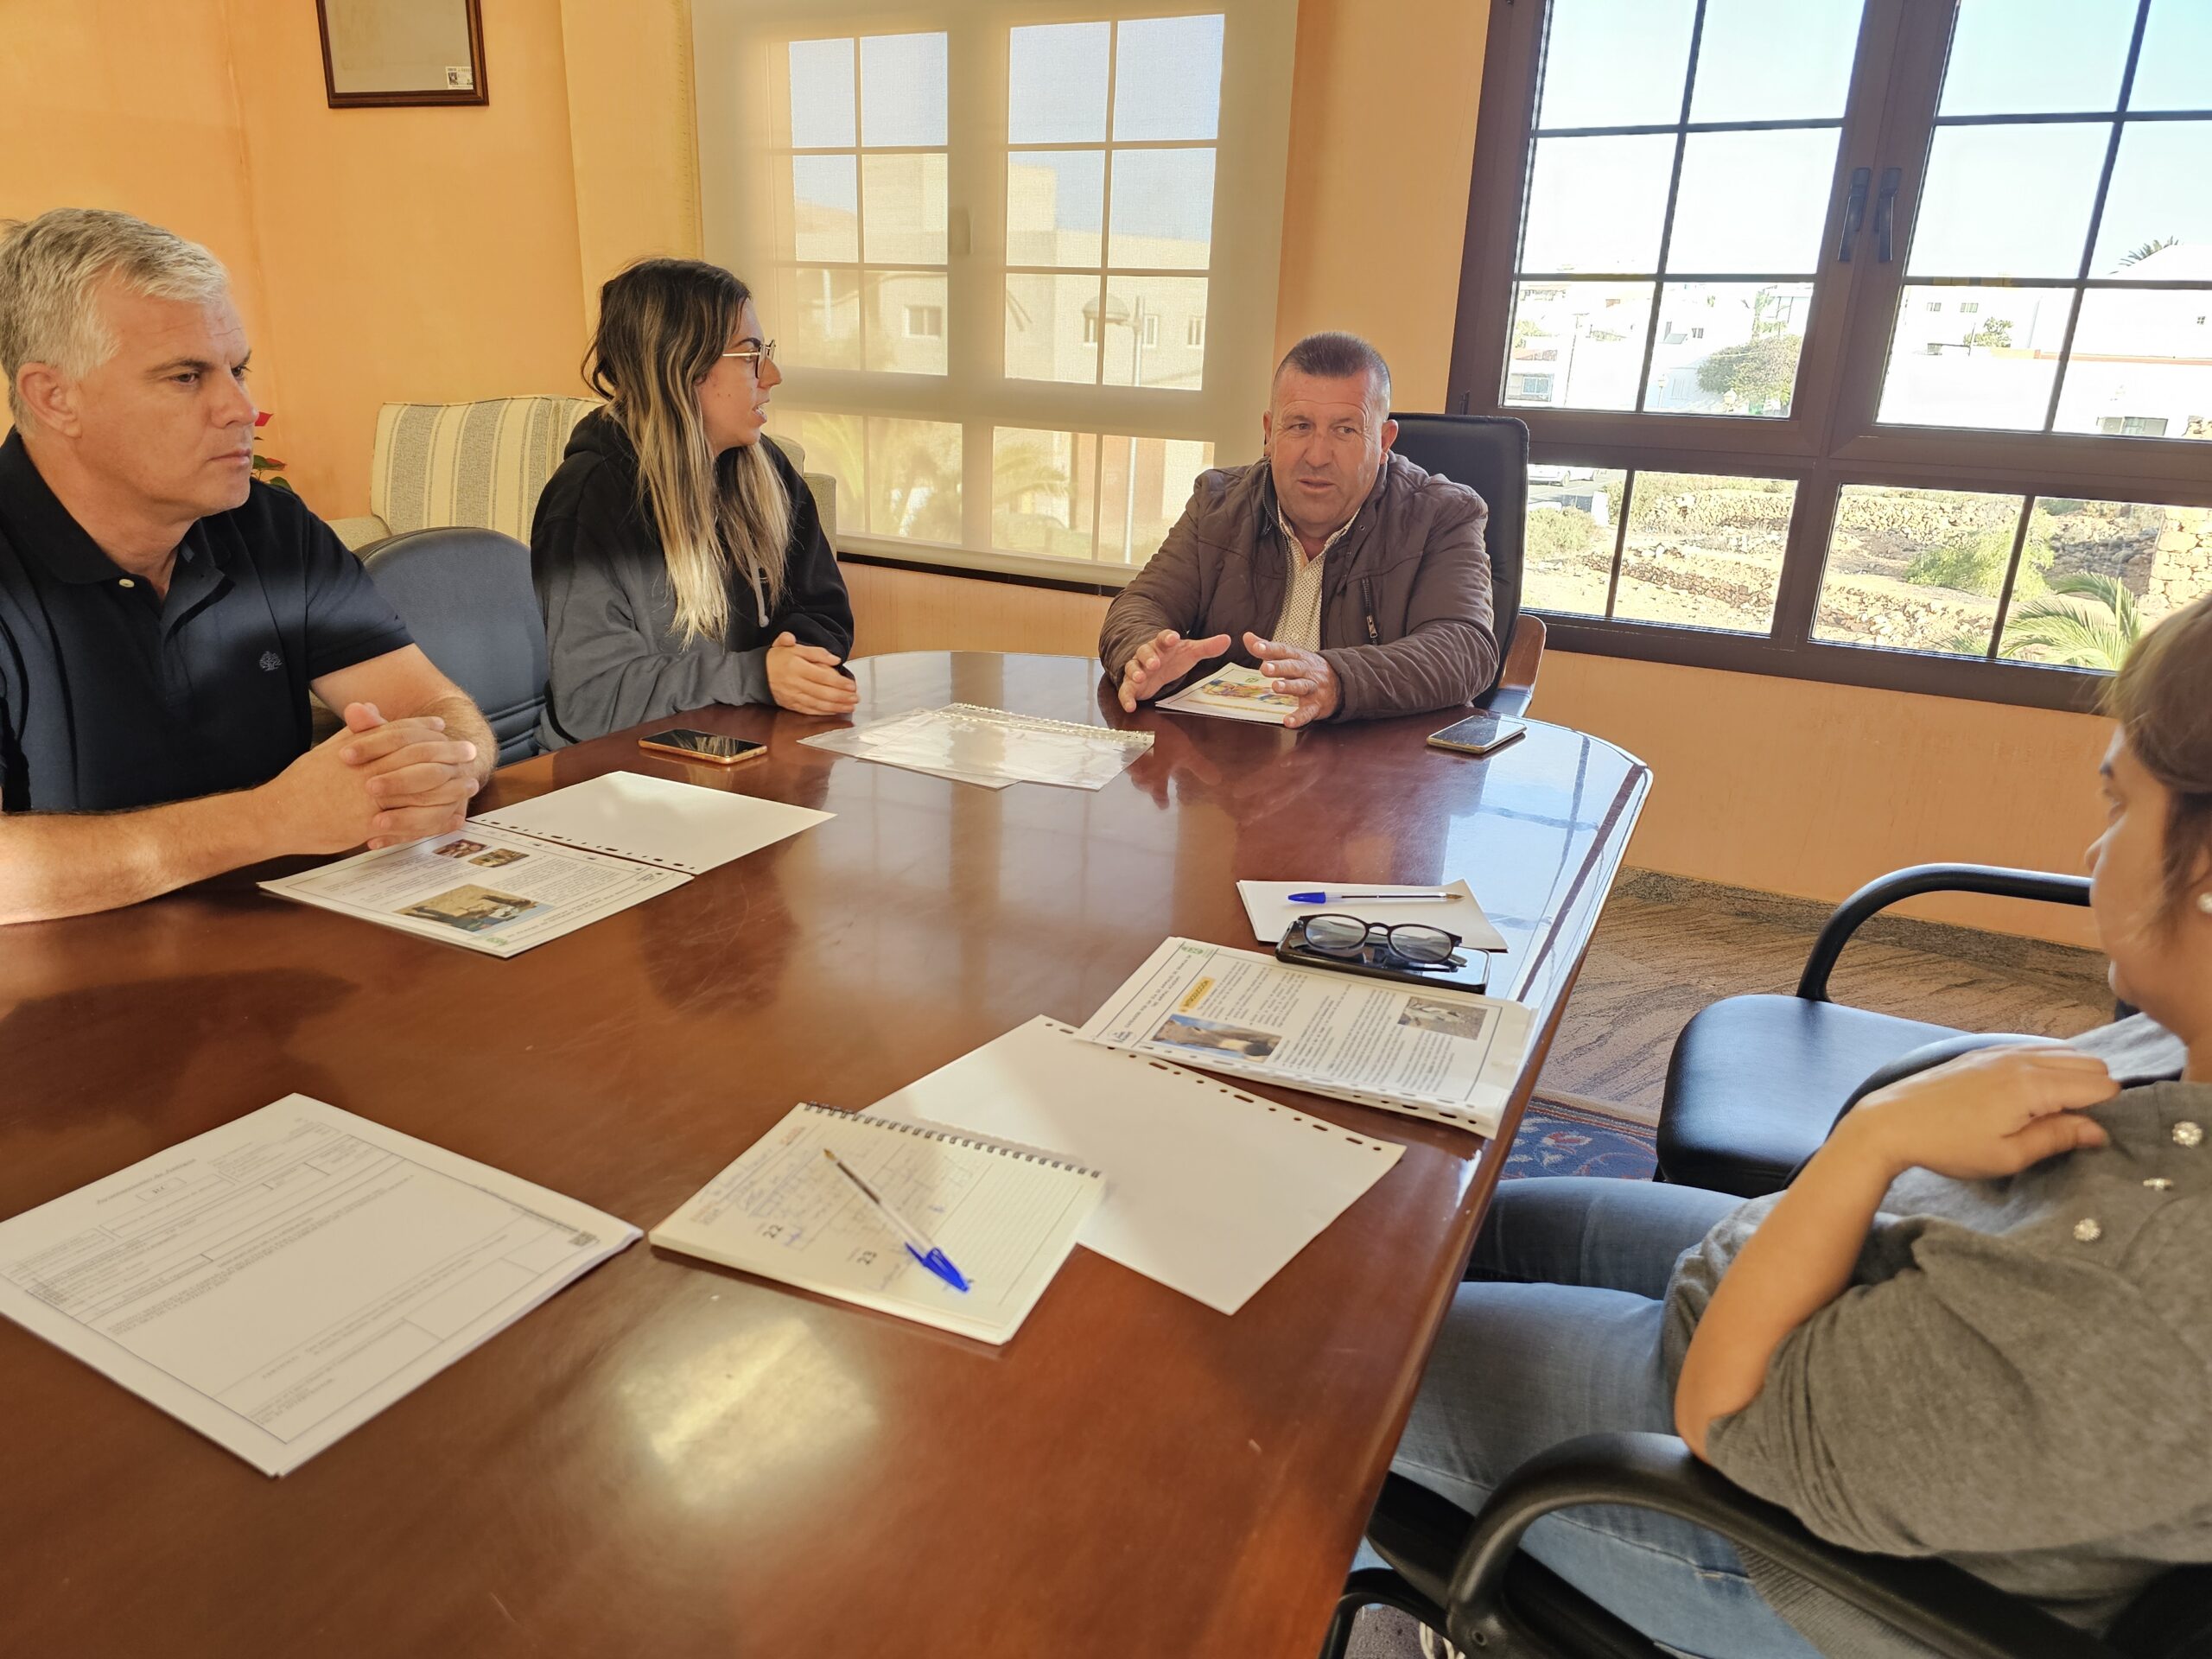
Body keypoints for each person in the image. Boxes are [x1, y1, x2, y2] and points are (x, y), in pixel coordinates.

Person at [1384, 595, 2212, 1658]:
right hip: (1832, 1293)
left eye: (2119, 806)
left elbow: (1723, 1412)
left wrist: (1877, 1141)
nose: (2094, 852)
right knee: (1449, 1233)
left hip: (1764, 1520)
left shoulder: (2155, 1293)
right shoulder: (2179, 1040)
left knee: (1324, 1359)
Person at [0, 209, 494, 927]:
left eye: (237, 370)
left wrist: (446, 768)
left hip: (289, 953)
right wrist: (269, 821)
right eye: (185, 377)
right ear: (55, 397)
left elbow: (432, 705)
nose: (243, 409)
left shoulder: (269, 525)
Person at [531, 258, 856, 748]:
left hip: (738, 747)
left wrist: (798, 662)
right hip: (618, 772)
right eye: (749, 355)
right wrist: (755, 676)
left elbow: (822, 610)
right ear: (681, 367)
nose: (771, 375)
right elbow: (593, 698)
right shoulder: (587, 501)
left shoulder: (766, 467)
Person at [1098, 331, 1497, 729]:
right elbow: (1141, 604)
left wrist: (1338, 680)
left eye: (1345, 430)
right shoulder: (1217, 503)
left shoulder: (1443, 515)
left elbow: (1465, 647)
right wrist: (1143, 656)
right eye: (1300, 426)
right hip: (1229, 756)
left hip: (1372, 760)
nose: (1318, 456)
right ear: (1270, 433)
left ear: (1383, 442)